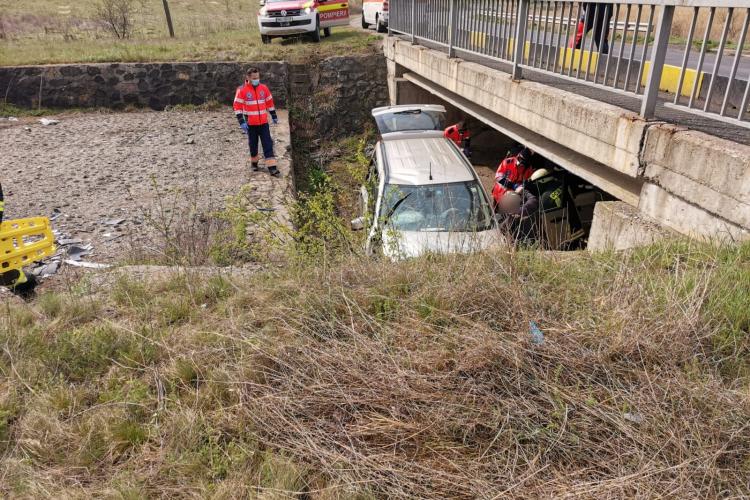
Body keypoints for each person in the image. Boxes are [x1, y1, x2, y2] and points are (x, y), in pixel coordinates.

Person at [234, 68, 280, 177]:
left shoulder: (264, 88)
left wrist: (273, 115)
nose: (257, 80)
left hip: (263, 123)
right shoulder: (242, 90)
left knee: (267, 143)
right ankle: (254, 163)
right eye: (254, 78)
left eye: (258, 78)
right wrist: (241, 122)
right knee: (253, 145)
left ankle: (272, 168)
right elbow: (237, 106)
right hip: (251, 124)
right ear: (248, 78)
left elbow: (269, 102)